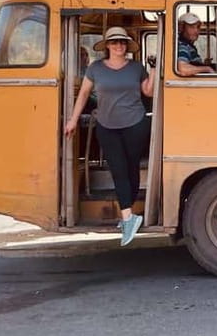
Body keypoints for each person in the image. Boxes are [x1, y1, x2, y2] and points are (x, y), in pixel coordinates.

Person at [64, 27, 154, 246]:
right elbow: (84, 94)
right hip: (106, 126)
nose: (119, 45)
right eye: (114, 42)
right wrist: (73, 120)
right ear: (107, 46)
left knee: (131, 169)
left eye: (122, 42)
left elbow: (148, 92)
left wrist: (153, 69)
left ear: (127, 46)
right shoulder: (95, 68)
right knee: (118, 170)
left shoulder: (136, 67)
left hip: (136, 124)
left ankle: (128, 213)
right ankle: (128, 217)